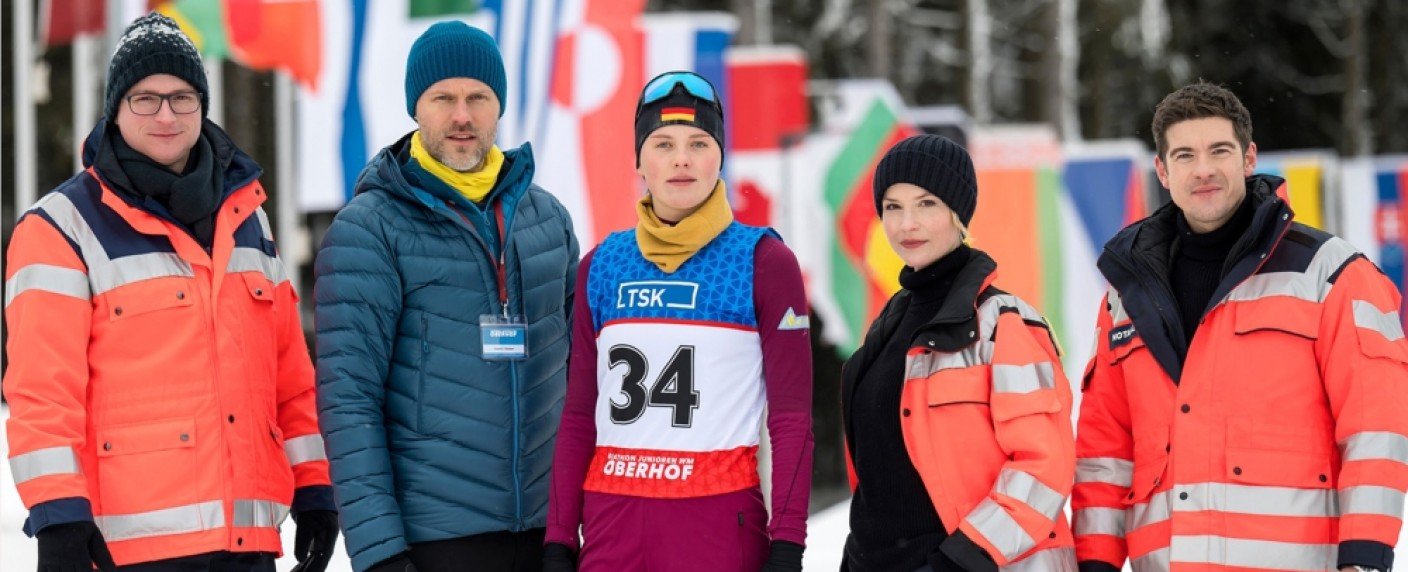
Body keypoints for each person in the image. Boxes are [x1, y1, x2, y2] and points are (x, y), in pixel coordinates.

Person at [4, 12, 337, 572]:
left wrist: (313, 487)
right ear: (116, 108)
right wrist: (57, 514)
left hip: (247, 545)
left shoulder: (249, 219)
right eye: (145, 98)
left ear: (202, 105)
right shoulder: (60, 228)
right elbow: (43, 395)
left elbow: (289, 378)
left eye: (182, 97)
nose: (166, 114)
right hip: (124, 550)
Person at [1071, 82, 1408, 572]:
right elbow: (1106, 453)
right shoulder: (1127, 297)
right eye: (1184, 155)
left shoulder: (1331, 274)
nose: (1203, 169)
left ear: (1249, 158)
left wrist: (1365, 558)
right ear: (1163, 171)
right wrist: (1095, 564)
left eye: (1219, 150)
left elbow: (1376, 428)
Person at [314, 20, 580, 572]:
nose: (462, 115)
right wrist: (380, 552)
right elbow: (349, 402)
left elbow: (584, 381)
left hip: (549, 537)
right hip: (434, 545)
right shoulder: (370, 228)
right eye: (443, 98)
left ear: (498, 106)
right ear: (417, 107)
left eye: (478, 97)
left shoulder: (548, 220)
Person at [540, 71, 814, 572]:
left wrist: (788, 543)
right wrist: (559, 538)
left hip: (717, 532)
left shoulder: (765, 262)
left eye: (698, 142)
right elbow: (578, 414)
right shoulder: (601, 265)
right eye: (662, 143)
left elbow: (791, 419)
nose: (681, 158)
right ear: (639, 159)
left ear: (720, 155)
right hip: (611, 531)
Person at [839, 134, 1077, 572]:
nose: (907, 223)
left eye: (926, 203)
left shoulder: (1005, 322)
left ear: (958, 212)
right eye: (893, 206)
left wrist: (961, 560)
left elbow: (1044, 468)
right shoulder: (886, 327)